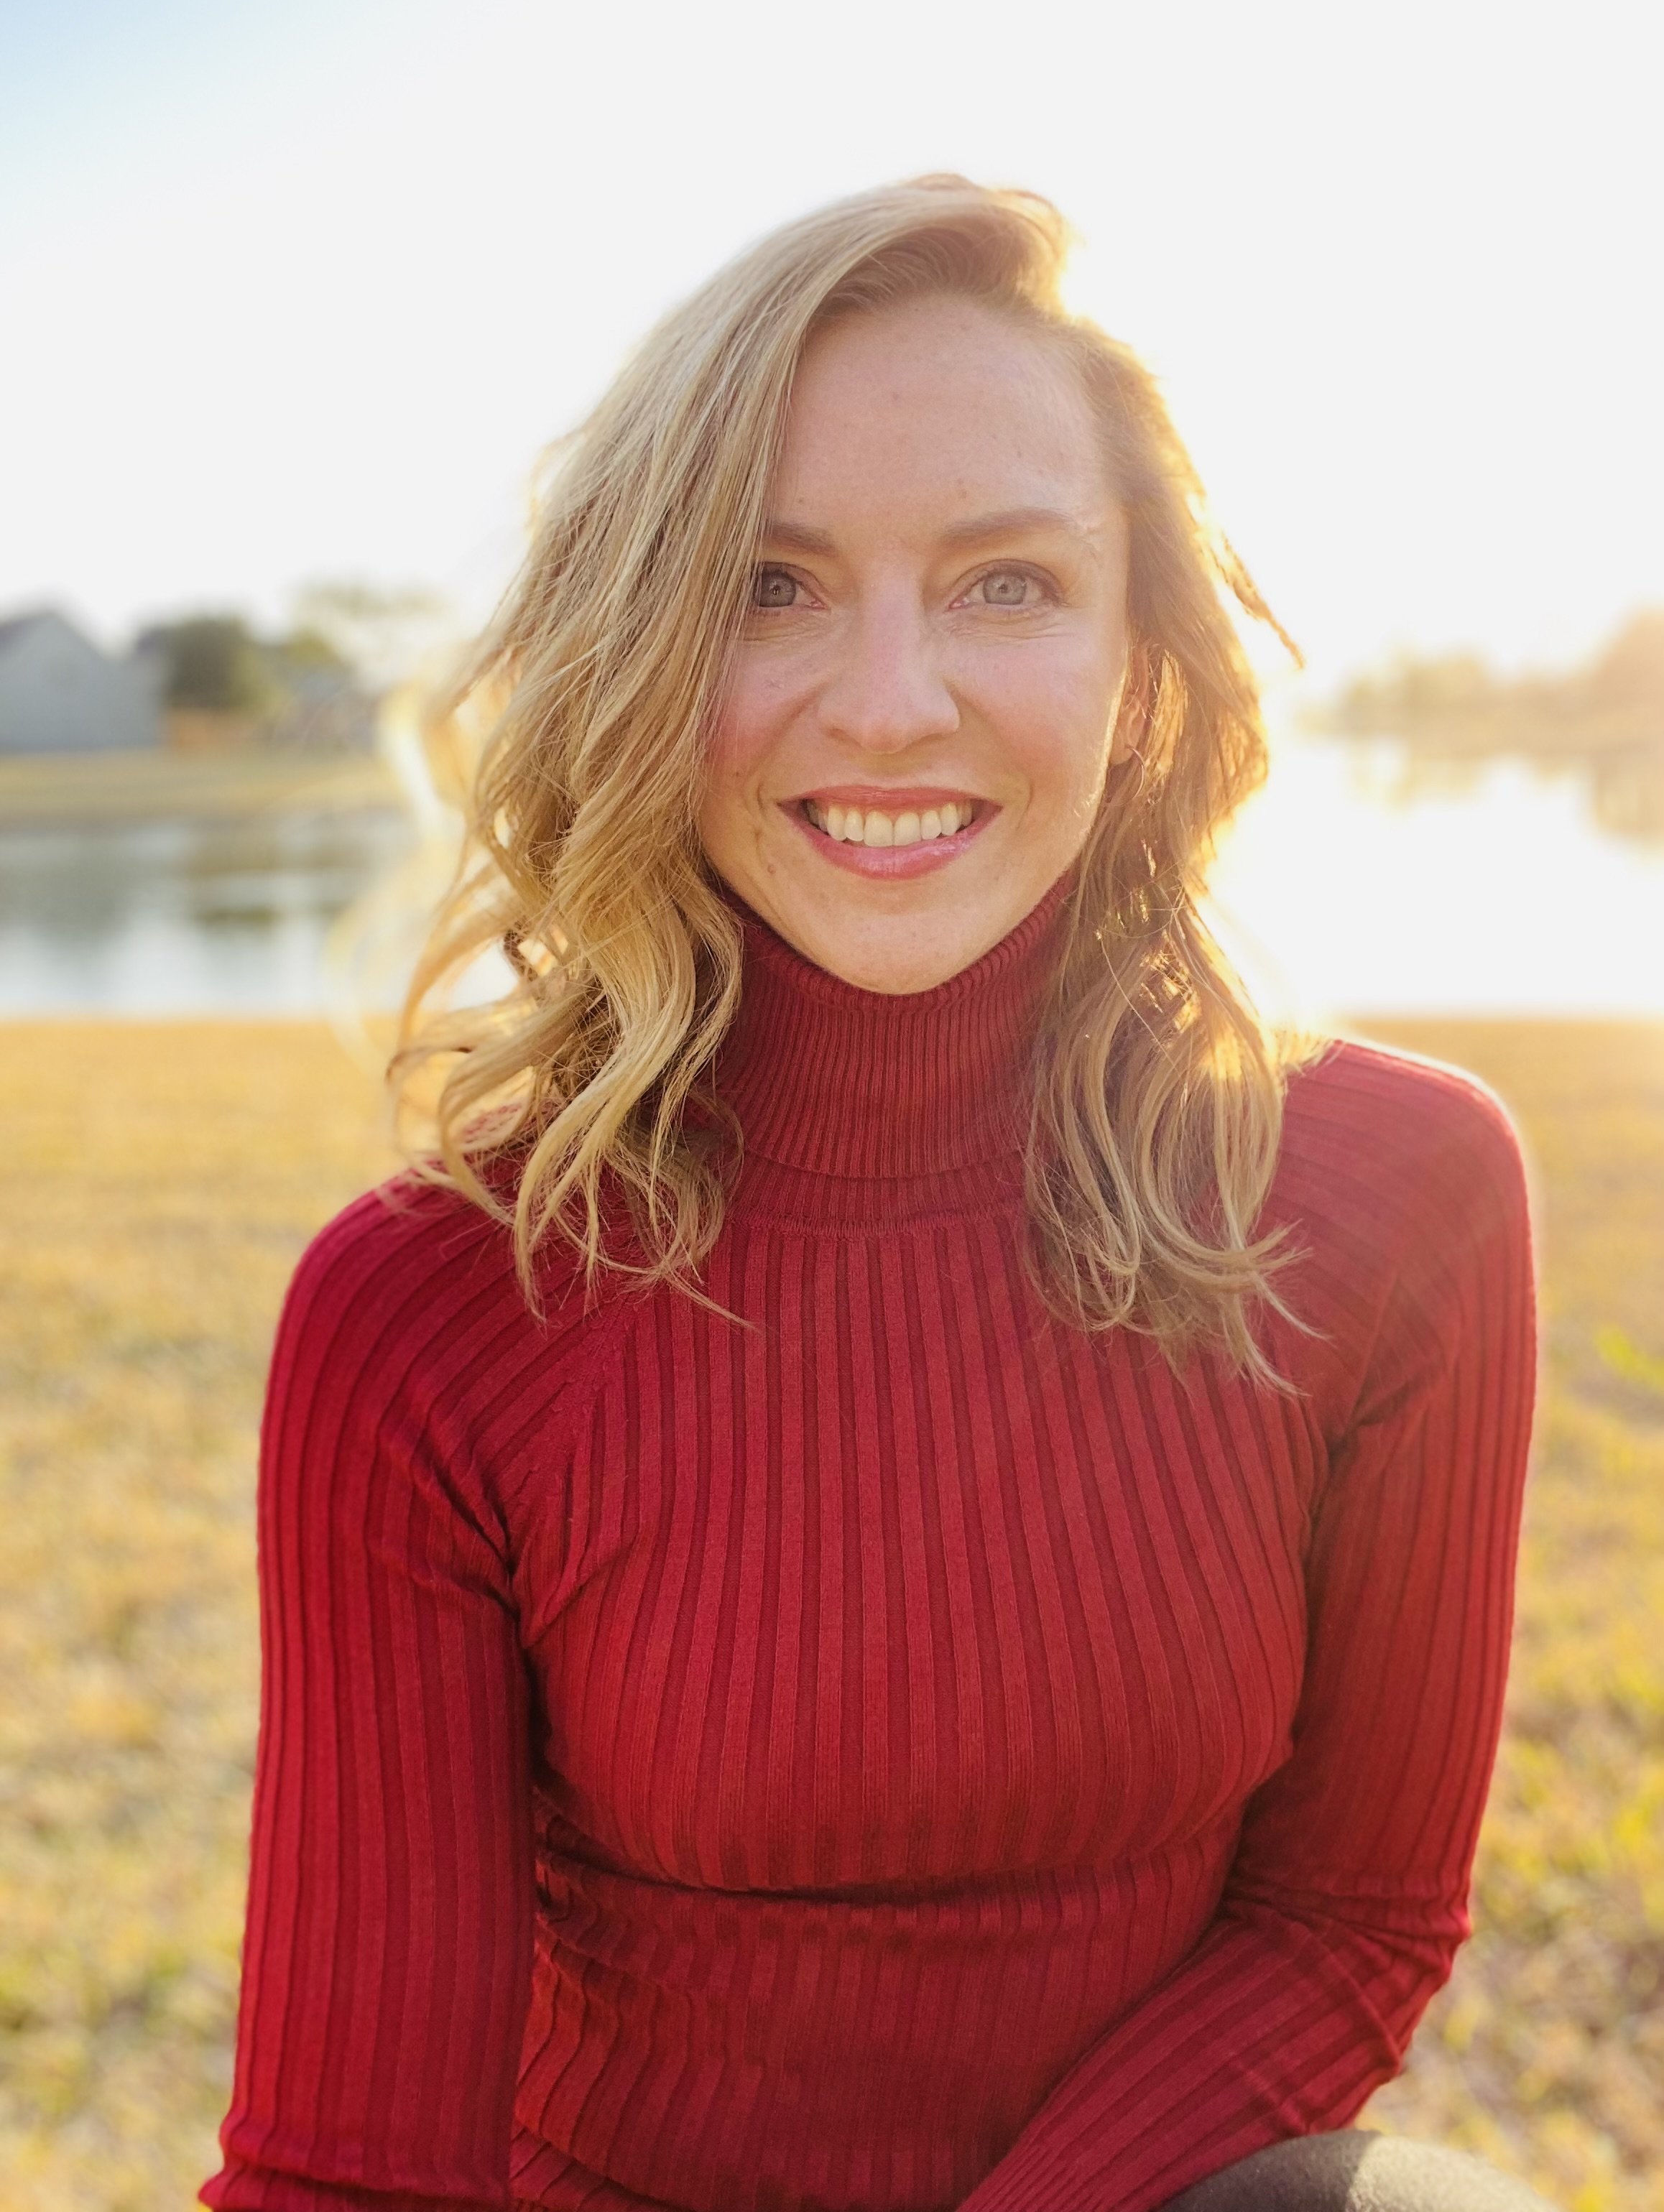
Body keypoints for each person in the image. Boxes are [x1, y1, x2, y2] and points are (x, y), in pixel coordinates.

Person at [202, 178, 1545, 2212]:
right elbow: (355, 2172)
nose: (892, 699)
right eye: (769, 586)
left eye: (1005, 583)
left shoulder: (1399, 1193)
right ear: (638, 652)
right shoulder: (431, 1310)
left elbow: (1349, 1918)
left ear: (1144, 659)